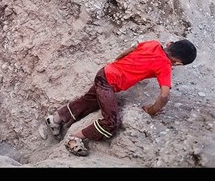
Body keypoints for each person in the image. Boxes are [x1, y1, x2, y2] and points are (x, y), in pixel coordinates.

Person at [45, 39, 197, 156]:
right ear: (178, 63)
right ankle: (75, 138)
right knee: (111, 122)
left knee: (90, 100)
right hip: (108, 83)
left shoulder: (153, 44)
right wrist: (151, 110)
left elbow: (131, 49)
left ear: (169, 44)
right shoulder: (165, 66)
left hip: (105, 72)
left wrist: (117, 62)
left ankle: (55, 119)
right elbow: (164, 95)